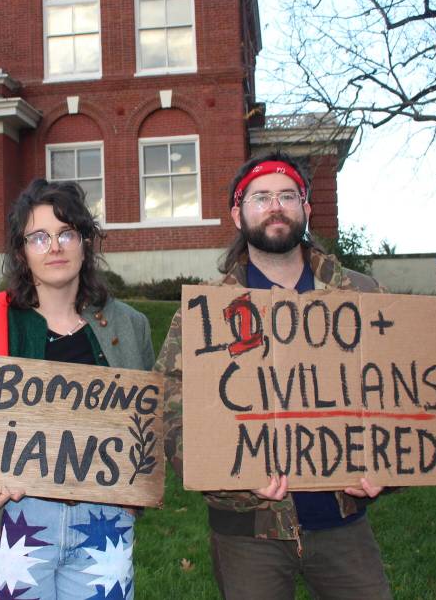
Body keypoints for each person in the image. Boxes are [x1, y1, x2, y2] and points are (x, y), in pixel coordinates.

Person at [156, 151, 394, 599]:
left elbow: (399, 391)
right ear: (237, 214)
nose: (275, 207)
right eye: (261, 197)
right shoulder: (204, 312)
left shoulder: (361, 296)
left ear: (306, 208)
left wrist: (389, 468)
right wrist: (229, 468)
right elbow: (168, 411)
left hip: (343, 524)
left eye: (287, 196)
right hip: (247, 533)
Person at [0, 178, 155, 600]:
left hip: (102, 521)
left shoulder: (130, 326)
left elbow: (148, 425)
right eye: (39, 237)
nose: (55, 247)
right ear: (21, 251)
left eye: (66, 233)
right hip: (8, 519)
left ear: (85, 243)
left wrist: (135, 490)